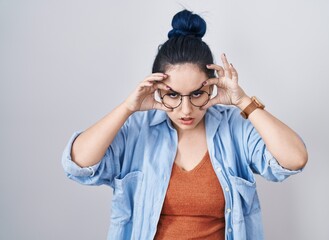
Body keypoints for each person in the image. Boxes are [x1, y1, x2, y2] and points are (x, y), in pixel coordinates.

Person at [62, 9, 308, 240]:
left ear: (212, 87)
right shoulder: (138, 130)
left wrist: (243, 101)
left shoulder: (233, 127)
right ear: (157, 90)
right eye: (173, 95)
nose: (186, 109)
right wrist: (127, 108)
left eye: (197, 94)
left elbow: (294, 159)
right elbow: (79, 164)